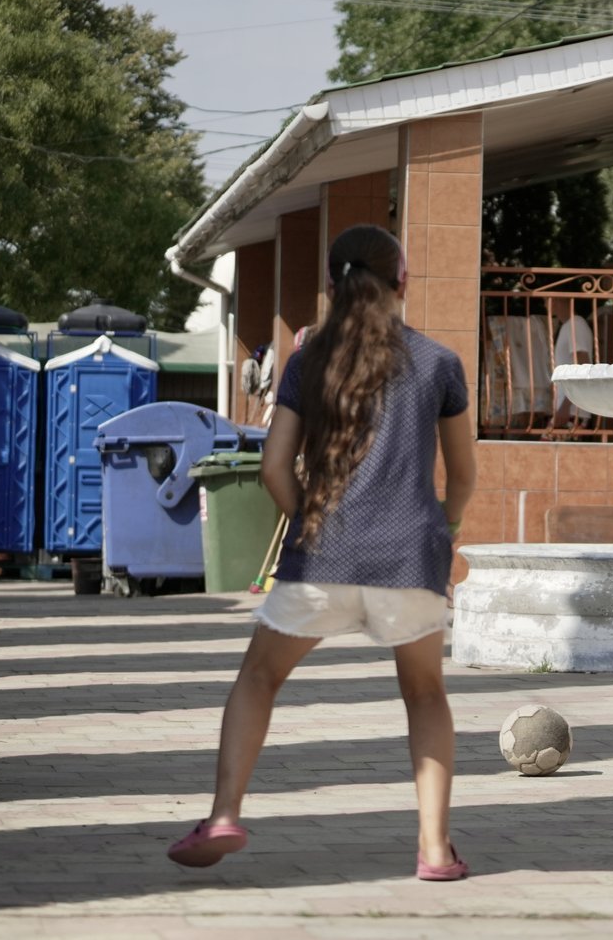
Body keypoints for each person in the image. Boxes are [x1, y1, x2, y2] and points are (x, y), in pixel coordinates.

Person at [166, 225, 478, 880]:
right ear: (403, 284)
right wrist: (439, 533)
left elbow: (275, 467)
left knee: (259, 676)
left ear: (331, 289)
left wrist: (311, 523)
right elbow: (464, 475)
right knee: (424, 695)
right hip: (409, 562)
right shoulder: (439, 362)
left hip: (323, 559)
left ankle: (224, 812)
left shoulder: (308, 363)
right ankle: (433, 847)